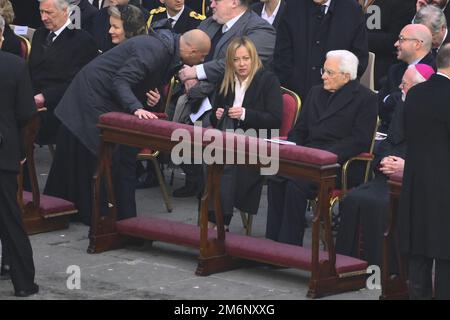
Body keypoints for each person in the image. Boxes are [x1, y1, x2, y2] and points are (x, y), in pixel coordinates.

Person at [43, 29, 211, 226]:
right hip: (90, 101)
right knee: (107, 156)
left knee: (117, 157)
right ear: (191, 51)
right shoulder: (155, 50)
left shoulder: (165, 51)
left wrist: (151, 99)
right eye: (203, 56)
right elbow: (121, 81)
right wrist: (136, 108)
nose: (202, 61)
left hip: (100, 99)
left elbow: (140, 81)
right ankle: (105, 215)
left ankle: (115, 216)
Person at [265, 50, 378, 246]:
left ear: (346, 75)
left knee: (295, 184)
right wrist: (294, 146)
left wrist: (326, 155)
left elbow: (359, 140)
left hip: (337, 163)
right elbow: (299, 130)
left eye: (330, 72)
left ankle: (288, 246)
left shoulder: (365, 98)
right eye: (323, 71)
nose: (324, 76)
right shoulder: (316, 92)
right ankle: (272, 242)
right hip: (307, 156)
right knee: (276, 178)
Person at [172, 0, 276, 198]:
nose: (211, 4)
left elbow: (238, 64)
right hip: (194, 93)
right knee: (170, 121)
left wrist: (197, 72)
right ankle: (195, 180)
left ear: (234, 2)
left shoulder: (261, 29)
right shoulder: (210, 23)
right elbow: (186, 49)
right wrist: (187, 74)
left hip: (230, 100)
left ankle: (212, 191)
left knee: (209, 128)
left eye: (216, 1)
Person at [335, 64, 435, 267]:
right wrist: (384, 160)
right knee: (352, 199)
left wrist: (407, 166)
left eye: (404, 84)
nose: (399, 87)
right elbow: (388, 141)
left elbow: (436, 155)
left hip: (416, 181)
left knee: (382, 205)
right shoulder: (403, 105)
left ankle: (382, 267)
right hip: (387, 177)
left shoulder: (437, 113)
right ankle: (347, 264)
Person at [207, 36, 282, 229]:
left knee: (228, 163)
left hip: (257, 142)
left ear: (254, 58)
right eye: (236, 59)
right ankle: (209, 216)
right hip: (228, 139)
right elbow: (215, 118)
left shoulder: (267, 80)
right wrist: (217, 115)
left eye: (246, 58)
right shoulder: (226, 80)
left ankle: (220, 222)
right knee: (206, 159)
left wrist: (244, 114)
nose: (241, 64)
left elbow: (274, 119)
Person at [398, 43, 450, 300]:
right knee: (445, 255)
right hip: (445, 188)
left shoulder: (415, 94)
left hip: (416, 183)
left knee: (419, 250)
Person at [0, 16, 39, 297]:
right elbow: (27, 113)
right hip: (3, 153)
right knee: (10, 219)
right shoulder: (14, 65)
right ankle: (23, 283)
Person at [29, 0, 98, 145]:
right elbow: (31, 71)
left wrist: (45, 96)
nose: (43, 18)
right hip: (32, 100)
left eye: (49, 13)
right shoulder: (39, 34)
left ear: (65, 11)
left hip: (59, 107)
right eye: (41, 12)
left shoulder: (82, 40)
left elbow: (78, 83)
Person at [273, 0, 369, 100]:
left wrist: (339, 85)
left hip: (337, 97)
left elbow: (359, 58)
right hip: (297, 94)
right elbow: (281, 55)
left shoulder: (352, 10)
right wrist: (293, 84)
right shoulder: (292, 6)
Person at [377, 24, 434, 133]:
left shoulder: (433, 72)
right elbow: (380, 105)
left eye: (401, 39)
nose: (396, 44)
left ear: (417, 44)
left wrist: (391, 99)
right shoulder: (395, 70)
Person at [358, 0, 416, 90]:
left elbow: (395, 40)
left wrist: (358, 37)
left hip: (381, 70)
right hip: (353, 63)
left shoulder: (402, 3)